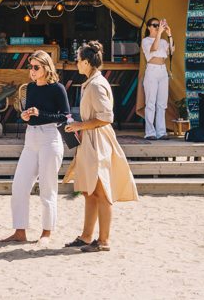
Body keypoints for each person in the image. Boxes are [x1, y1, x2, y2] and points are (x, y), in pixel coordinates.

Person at [63, 41, 138, 252]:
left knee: (101, 191)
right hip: (90, 140)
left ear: (86, 62)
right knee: (89, 191)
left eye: (78, 61)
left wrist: (80, 125)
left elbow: (107, 117)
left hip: (98, 142)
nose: (76, 64)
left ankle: (103, 240)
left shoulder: (96, 85)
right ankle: (87, 236)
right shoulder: (92, 82)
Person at [0, 50, 70, 247]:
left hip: (50, 137)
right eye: (30, 66)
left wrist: (41, 113)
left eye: (36, 67)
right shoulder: (30, 87)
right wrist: (25, 116)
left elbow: (65, 116)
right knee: (19, 186)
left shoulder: (58, 89)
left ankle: (47, 232)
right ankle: (19, 231)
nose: (32, 70)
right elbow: (31, 112)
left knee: (48, 188)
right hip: (31, 139)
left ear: (47, 68)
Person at [141, 17, 174, 140]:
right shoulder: (146, 41)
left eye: (158, 25)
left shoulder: (164, 41)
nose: (156, 27)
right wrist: (159, 33)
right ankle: (150, 132)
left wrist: (169, 34)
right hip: (152, 70)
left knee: (162, 103)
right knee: (150, 103)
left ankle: (161, 132)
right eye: (154, 25)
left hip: (162, 70)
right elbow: (153, 49)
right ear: (149, 27)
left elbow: (172, 50)